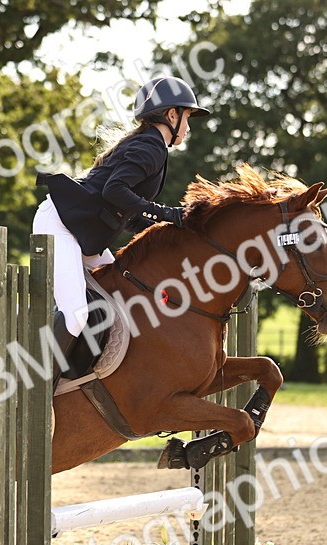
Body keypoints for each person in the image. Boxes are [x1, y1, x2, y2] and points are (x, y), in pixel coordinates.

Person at [33, 76, 209, 369]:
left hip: (82, 231)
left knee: (121, 296)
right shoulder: (151, 147)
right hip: (61, 225)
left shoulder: (152, 146)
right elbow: (114, 191)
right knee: (76, 314)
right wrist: (168, 214)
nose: (188, 128)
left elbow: (127, 213)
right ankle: (35, 390)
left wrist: (169, 228)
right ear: (172, 115)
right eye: (188, 117)